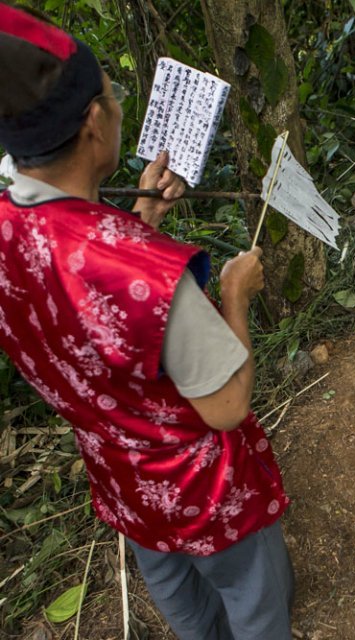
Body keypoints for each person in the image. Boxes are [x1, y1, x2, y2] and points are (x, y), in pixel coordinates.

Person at [0, 4, 293, 639]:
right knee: (254, 599)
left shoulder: (7, 226)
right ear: (93, 123)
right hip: (203, 491)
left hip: (120, 477)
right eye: (113, 93)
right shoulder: (158, 277)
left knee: (184, 604)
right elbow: (227, 406)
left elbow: (76, 286)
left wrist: (137, 215)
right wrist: (237, 295)